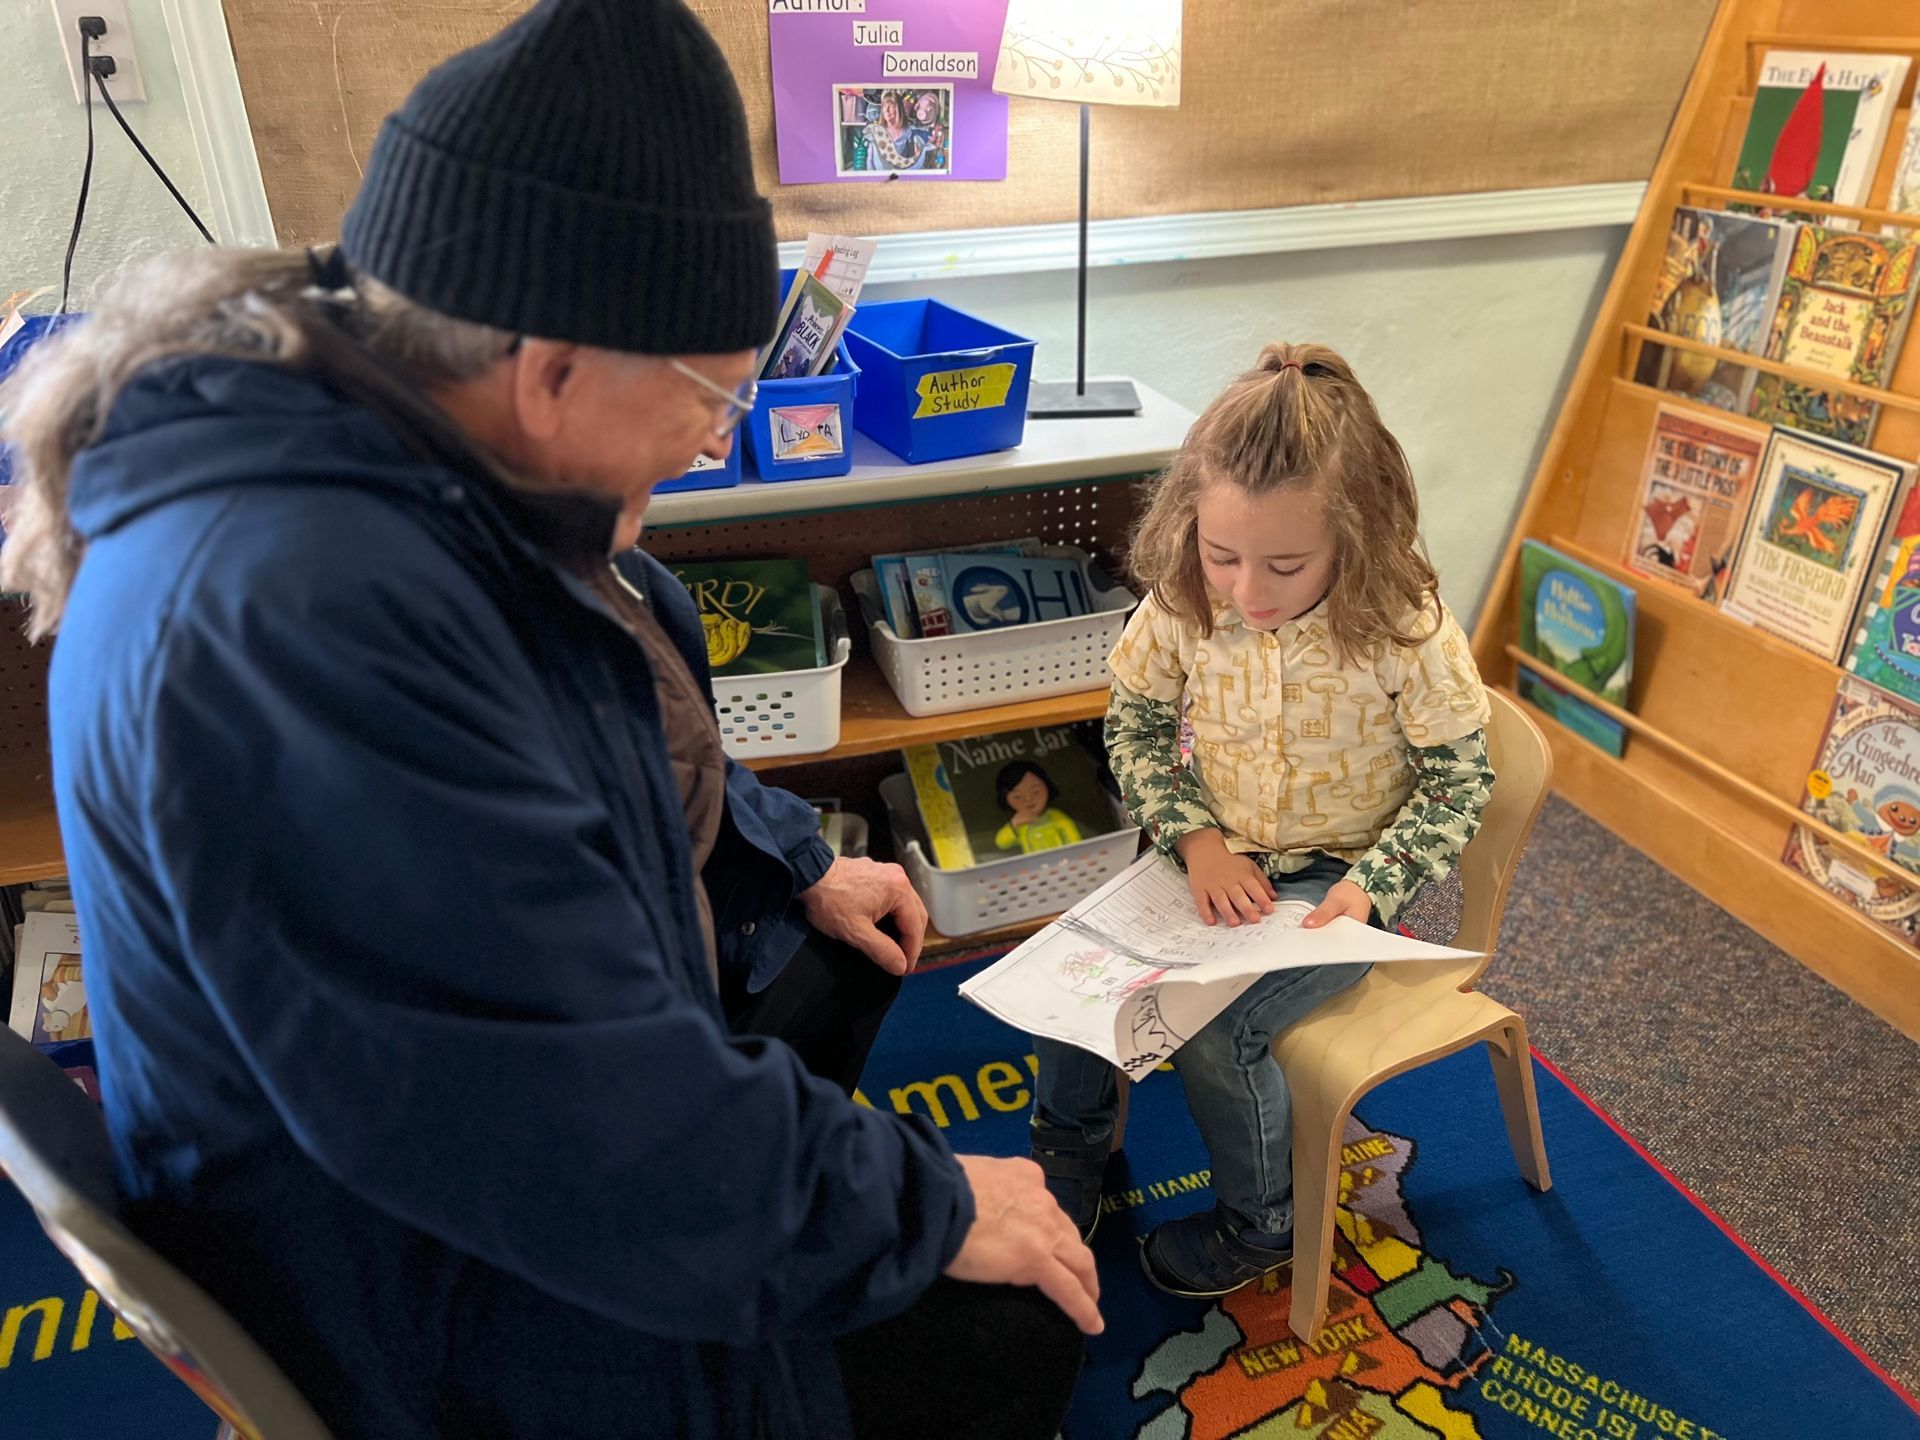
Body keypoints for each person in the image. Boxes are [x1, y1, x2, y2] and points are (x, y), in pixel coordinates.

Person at [0, 2, 1099, 1436]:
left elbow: (608, 733)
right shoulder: (305, 623)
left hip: (436, 1163)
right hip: (430, 1289)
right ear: (554, 367)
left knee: (834, 975)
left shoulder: (389, 462)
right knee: (1010, 1331)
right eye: (712, 400)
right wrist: (930, 1203)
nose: (711, 444)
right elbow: (578, 1142)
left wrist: (790, 860)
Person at [1025, 343, 1496, 1296]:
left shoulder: (1405, 626)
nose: (1247, 591)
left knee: (1221, 1034)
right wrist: (1195, 839)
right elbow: (1136, 723)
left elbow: (1458, 780)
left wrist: (1372, 890)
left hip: (1339, 881)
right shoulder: (1185, 599)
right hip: (1213, 851)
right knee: (1079, 967)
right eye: (1221, 555)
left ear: (1357, 535)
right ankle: (1070, 1152)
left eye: (1285, 564)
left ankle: (1263, 1223)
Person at [994, 761, 1084, 854]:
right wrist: (1014, 825)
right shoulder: (1020, 825)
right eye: (1017, 797)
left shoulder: (1055, 816)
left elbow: (1072, 835)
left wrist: (1078, 853)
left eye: (1035, 792)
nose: (1029, 799)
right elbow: (1001, 842)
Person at [865, 89, 930, 171]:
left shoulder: (907, 132)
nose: (886, 110)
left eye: (891, 107)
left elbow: (909, 162)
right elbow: (870, 161)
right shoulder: (877, 131)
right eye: (884, 106)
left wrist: (917, 156)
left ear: (898, 109)